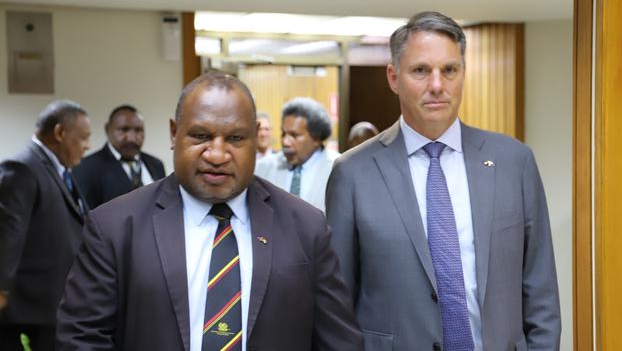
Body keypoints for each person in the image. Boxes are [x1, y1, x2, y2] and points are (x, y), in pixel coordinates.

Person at [57, 72, 362, 351]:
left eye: (235, 138)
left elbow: (338, 341)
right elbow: (82, 339)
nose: (217, 155)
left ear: (255, 138)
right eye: (200, 136)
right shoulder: (115, 227)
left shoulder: (306, 226)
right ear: (174, 133)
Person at [326, 11, 561, 350]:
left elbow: (540, 290)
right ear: (393, 77)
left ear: (463, 73)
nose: (437, 85)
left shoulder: (514, 161)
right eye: (421, 71)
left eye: (449, 70)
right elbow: (337, 304)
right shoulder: (353, 173)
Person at [0, 100, 91, 350]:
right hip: (30, 309)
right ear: (60, 133)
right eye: (83, 138)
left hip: (55, 303)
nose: (88, 146)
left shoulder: (59, 170)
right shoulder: (22, 167)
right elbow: (9, 234)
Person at [73, 104, 165, 209]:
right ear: (107, 129)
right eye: (124, 130)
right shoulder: (86, 168)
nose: (131, 138)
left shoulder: (156, 164)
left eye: (138, 130)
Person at [255, 98, 339, 211]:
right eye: (283, 133)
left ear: (316, 138)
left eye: (294, 135)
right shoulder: (262, 168)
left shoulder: (338, 168)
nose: (285, 141)